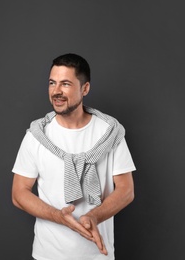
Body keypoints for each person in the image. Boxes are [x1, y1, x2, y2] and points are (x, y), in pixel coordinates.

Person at [11, 53, 136, 260]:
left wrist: (94, 216)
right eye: (52, 83)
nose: (56, 91)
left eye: (65, 84)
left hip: (98, 255)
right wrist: (59, 217)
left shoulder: (110, 133)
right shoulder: (36, 136)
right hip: (47, 255)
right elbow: (18, 193)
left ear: (85, 88)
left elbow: (126, 190)